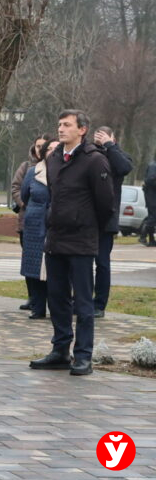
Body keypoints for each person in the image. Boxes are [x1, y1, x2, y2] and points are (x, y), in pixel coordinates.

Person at [30, 109, 115, 377]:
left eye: (67, 125)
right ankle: (60, 350)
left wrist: (87, 225)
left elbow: (105, 203)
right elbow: (53, 194)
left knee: (83, 302)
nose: (61, 129)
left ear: (82, 130)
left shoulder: (95, 161)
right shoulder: (54, 158)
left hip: (82, 240)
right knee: (56, 298)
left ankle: (83, 356)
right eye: (59, 125)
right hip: (55, 238)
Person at [92, 126, 133, 318]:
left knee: (102, 263)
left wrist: (109, 146)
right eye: (96, 135)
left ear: (113, 138)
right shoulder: (90, 154)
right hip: (86, 218)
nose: (99, 139)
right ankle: (80, 299)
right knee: (80, 264)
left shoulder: (118, 156)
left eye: (104, 136)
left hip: (106, 220)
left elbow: (124, 168)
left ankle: (99, 304)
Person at [21, 138, 59, 319]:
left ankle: (56, 307)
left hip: (58, 223)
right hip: (35, 223)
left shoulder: (67, 171)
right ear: (43, 152)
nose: (52, 151)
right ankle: (37, 306)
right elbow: (24, 195)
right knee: (34, 266)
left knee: (56, 268)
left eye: (56, 149)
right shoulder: (32, 172)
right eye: (49, 149)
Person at [11, 137, 48, 311]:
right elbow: (17, 188)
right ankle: (32, 296)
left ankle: (47, 298)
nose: (40, 149)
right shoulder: (27, 167)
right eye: (38, 146)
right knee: (29, 261)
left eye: (44, 146)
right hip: (28, 221)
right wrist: (26, 204)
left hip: (48, 223)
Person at [142, 155, 156, 247]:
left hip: (152, 195)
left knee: (152, 217)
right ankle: (143, 235)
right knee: (153, 217)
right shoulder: (153, 166)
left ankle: (151, 240)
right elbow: (150, 180)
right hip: (151, 195)